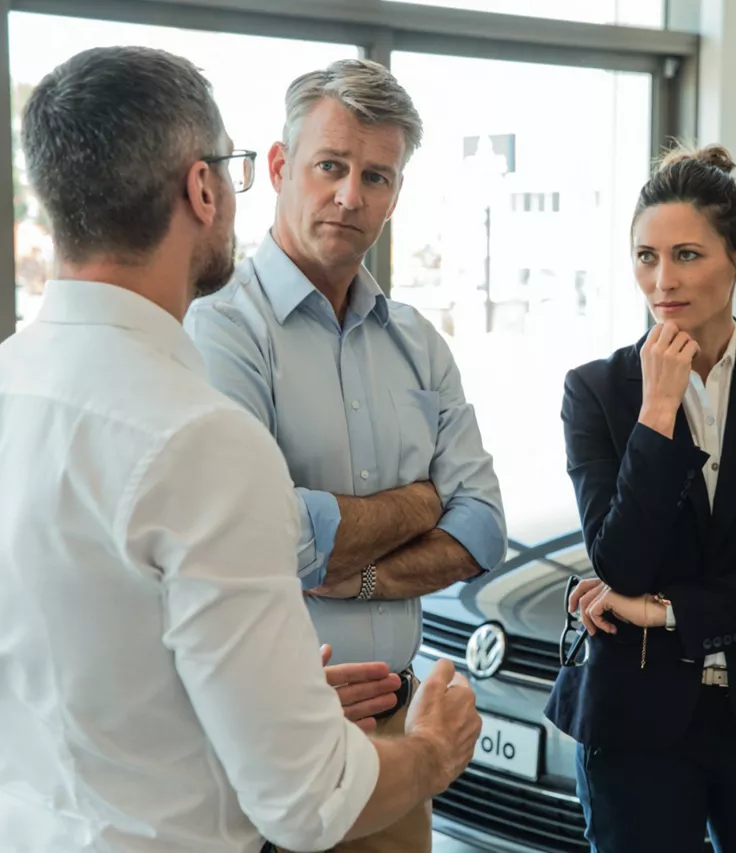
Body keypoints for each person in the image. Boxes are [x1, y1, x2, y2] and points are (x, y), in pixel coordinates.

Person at [0, 46, 482, 853]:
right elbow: (306, 803)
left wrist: (249, 703)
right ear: (202, 188)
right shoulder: (205, 441)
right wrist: (431, 749)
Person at [184, 58, 506, 853]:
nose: (351, 196)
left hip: (398, 729)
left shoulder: (418, 344)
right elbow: (271, 533)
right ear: (283, 166)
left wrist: (357, 571)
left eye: (378, 176)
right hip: (275, 727)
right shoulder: (220, 329)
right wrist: (421, 501)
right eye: (331, 166)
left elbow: (485, 528)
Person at [546, 145, 736, 853]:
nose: (662, 279)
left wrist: (667, 610)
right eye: (645, 256)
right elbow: (619, 560)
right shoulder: (595, 391)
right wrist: (657, 411)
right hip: (639, 721)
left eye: (686, 254)